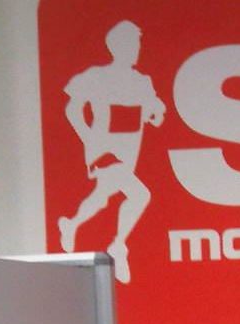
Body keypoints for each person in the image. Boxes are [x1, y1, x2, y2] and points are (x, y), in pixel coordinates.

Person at [58, 20, 165, 284]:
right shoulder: (97, 76)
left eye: (137, 44)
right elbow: (72, 108)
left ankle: (71, 224)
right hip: (104, 149)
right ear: (117, 46)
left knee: (102, 197)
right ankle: (118, 245)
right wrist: (89, 137)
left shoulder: (142, 81)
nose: (136, 49)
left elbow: (155, 111)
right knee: (140, 194)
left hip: (129, 150)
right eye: (131, 44)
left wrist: (155, 113)